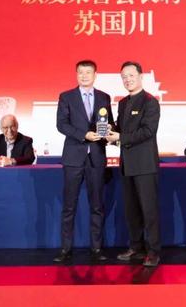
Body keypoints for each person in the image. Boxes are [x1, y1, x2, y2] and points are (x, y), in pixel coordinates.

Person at [54, 60, 114, 263]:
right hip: (73, 156)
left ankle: (96, 249)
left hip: (96, 156)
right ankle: (65, 249)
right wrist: (84, 135)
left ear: (95, 75)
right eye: (81, 72)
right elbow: (61, 124)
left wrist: (108, 131)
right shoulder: (66, 97)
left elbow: (109, 122)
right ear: (76, 74)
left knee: (97, 205)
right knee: (69, 206)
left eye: (88, 72)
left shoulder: (104, 97)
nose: (84, 76)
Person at [106, 61, 161, 267]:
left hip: (145, 165)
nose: (127, 80)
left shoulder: (150, 102)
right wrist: (109, 130)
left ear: (140, 77)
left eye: (131, 75)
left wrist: (120, 137)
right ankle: (136, 248)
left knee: (149, 210)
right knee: (132, 211)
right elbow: (121, 129)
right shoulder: (122, 103)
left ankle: (153, 251)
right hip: (127, 164)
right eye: (124, 77)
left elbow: (148, 131)